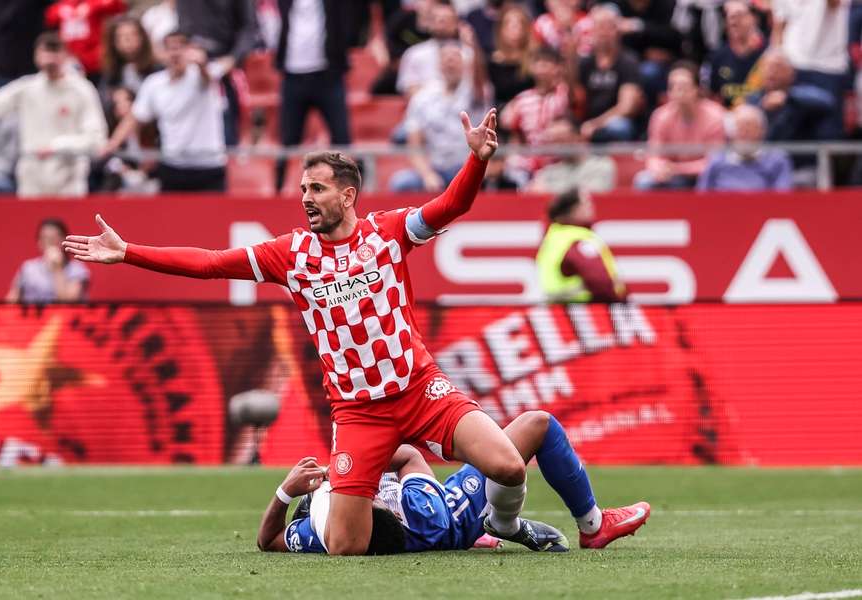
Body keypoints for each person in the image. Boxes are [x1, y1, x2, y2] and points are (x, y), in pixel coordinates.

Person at [64, 108, 564, 556]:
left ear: (347, 195)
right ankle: (443, 509)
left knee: (508, 468)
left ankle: (503, 523)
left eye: (317, 189)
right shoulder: (291, 253)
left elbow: (451, 205)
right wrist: (130, 251)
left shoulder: (387, 231)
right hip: (358, 410)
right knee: (347, 546)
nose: (305, 198)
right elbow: (212, 264)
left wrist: (476, 161)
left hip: (418, 389)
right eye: (303, 189)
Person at [257, 411, 651, 554]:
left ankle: (497, 526)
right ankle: (589, 525)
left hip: (433, 516)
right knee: (538, 426)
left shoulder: (318, 530)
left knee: (532, 432)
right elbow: (410, 456)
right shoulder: (414, 509)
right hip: (453, 514)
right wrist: (345, 470)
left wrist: (286, 491)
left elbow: (267, 539)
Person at [0, 32, 108, 197]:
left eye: (54, 53)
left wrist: (57, 147)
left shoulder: (82, 90)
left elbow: (97, 140)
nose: (49, 61)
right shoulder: (27, 88)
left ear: (65, 55)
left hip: (68, 174)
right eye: (45, 53)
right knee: (28, 221)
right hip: (32, 174)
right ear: (36, 56)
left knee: (70, 222)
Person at [103, 30, 228, 193]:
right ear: (163, 53)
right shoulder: (154, 84)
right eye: (170, 48)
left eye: (180, 47)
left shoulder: (201, 75)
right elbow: (135, 117)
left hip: (208, 165)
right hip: (173, 166)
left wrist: (202, 64)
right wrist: (113, 143)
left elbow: (208, 78)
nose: (175, 53)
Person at [273, 0, 352, 192]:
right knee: (288, 140)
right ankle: (277, 190)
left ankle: (353, 189)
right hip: (293, 76)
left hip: (328, 74)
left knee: (342, 138)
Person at [390, 43, 487, 192]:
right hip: (435, 168)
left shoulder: (477, 94)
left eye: (455, 58)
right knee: (401, 183)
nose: (450, 62)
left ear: (465, 64)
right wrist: (428, 174)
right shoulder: (422, 98)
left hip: (470, 167)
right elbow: (414, 144)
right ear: (438, 65)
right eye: (446, 58)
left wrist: (471, 44)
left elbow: (480, 80)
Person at [176, 0, 259, 147]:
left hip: (224, 71)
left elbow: (249, 28)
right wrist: (184, 52)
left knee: (226, 136)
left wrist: (233, 58)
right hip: (189, 69)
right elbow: (182, 25)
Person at [634, 61, 725, 190]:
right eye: (672, 86)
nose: (678, 91)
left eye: (683, 86)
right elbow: (654, 155)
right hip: (673, 175)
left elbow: (714, 162)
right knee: (644, 181)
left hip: (706, 175)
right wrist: (658, 169)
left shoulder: (715, 116)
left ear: (697, 89)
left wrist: (678, 169)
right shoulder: (660, 116)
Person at [771, 0, 850, 141]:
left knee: (827, 132)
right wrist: (777, 57)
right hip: (792, 65)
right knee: (793, 129)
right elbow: (780, 24)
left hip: (828, 67)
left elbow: (834, 3)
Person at [536, 190, 627, 303]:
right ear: (573, 209)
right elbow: (600, 281)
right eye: (586, 203)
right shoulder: (578, 240)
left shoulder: (554, 237)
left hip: (558, 310)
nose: (591, 207)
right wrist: (619, 301)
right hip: (585, 312)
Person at [500, 46, 575, 184]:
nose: (542, 68)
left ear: (557, 68)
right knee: (512, 166)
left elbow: (570, 90)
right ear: (532, 67)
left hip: (558, 160)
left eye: (547, 64)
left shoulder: (562, 93)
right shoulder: (523, 99)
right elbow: (509, 125)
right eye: (538, 63)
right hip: (529, 158)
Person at [577, 4, 644, 142]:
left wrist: (595, 124)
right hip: (587, 121)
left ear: (617, 30)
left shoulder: (628, 61)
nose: (603, 32)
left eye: (609, 27)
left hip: (614, 122)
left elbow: (627, 107)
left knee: (619, 126)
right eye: (599, 27)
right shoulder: (585, 62)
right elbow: (575, 100)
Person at [744, 49, 836, 143]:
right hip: (766, 154)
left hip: (799, 154)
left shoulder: (801, 95)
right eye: (766, 67)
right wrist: (762, 107)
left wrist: (787, 97)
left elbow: (827, 101)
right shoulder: (754, 99)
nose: (771, 72)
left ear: (791, 72)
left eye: (777, 66)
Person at [697, 104, 793, 191]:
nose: (745, 134)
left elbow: (782, 197)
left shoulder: (777, 160)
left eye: (750, 128)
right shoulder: (717, 160)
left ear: (762, 131)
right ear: (731, 132)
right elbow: (702, 195)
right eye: (740, 128)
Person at [396, 1, 473, 97]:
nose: (441, 23)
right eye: (436, 19)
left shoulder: (469, 54)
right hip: (427, 109)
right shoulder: (414, 54)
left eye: (446, 19)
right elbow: (409, 89)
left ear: (456, 23)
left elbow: (476, 89)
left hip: (461, 107)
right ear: (429, 23)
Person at [45, 0, 128, 86]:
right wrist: (66, 11)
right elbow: (50, 17)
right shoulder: (63, 6)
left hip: (95, 62)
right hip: (71, 62)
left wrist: (91, 6)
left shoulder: (94, 3)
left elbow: (118, 6)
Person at [7, 218, 90, 304]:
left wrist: (57, 268)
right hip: (32, 316)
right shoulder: (28, 268)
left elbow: (68, 303)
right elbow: (11, 302)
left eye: (55, 238)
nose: (50, 243)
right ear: (39, 242)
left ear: (65, 241)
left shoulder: (77, 269)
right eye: (46, 238)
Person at [701, 0, 767, 108]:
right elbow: (711, 96)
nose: (734, 22)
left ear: (754, 18)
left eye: (739, 16)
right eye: (729, 17)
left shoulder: (769, 53)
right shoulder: (716, 57)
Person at [370, 0, 433, 95]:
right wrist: (395, 58)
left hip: (425, 69)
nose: (425, 4)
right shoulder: (403, 18)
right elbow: (387, 38)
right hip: (399, 64)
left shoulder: (439, 24)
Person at [100, 15, 160, 103]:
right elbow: (103, 95)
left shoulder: (156, 69)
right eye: (121, 36)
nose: (127, 40)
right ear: (113, 42)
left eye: (133, 35)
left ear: (142, 37)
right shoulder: (112, 72)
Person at [487, 5, 536, 109]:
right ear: (501, 29)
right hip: (500, 115)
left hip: (530, 111)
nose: (515, 30)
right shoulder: (492, 63)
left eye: (519, 25)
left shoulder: (535, 59)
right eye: (509, 25)